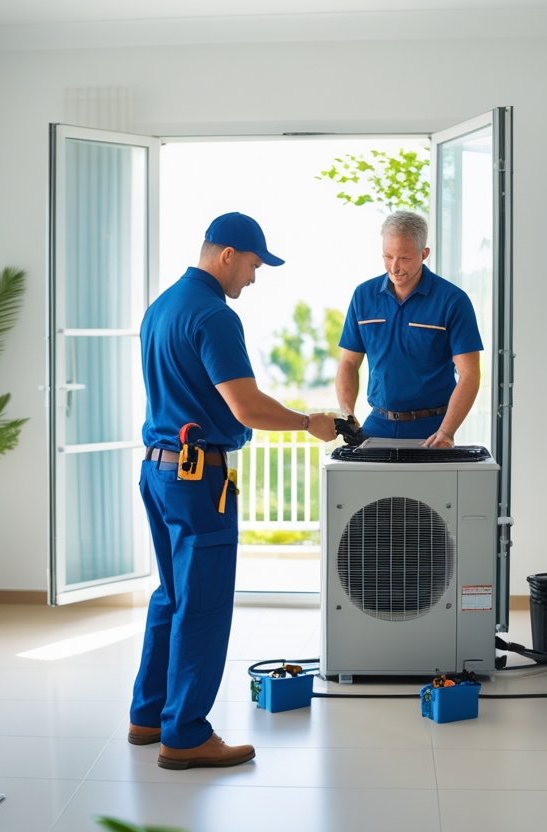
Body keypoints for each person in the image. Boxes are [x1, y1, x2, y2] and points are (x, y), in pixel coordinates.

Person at [129, 212, 338, 770]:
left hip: (158, 469)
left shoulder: (162, 307)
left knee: (170, 595)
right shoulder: (213, 316)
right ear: (226, 255)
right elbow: (244, 406)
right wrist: (306, 422)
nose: (253, 277)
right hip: (199, 480)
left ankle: (148, 716)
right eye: (252, 264)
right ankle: (186, 734)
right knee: (203, 604)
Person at [335, 210, 483, 448]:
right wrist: (348, 415)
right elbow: (349, 363)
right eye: (387, 256)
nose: (394, 267)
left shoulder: (453, 301)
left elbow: (470, 374)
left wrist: (446, 431)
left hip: (432, 430)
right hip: (377, 426)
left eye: (404, 258)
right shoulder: (363, 296)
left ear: (424, 254)